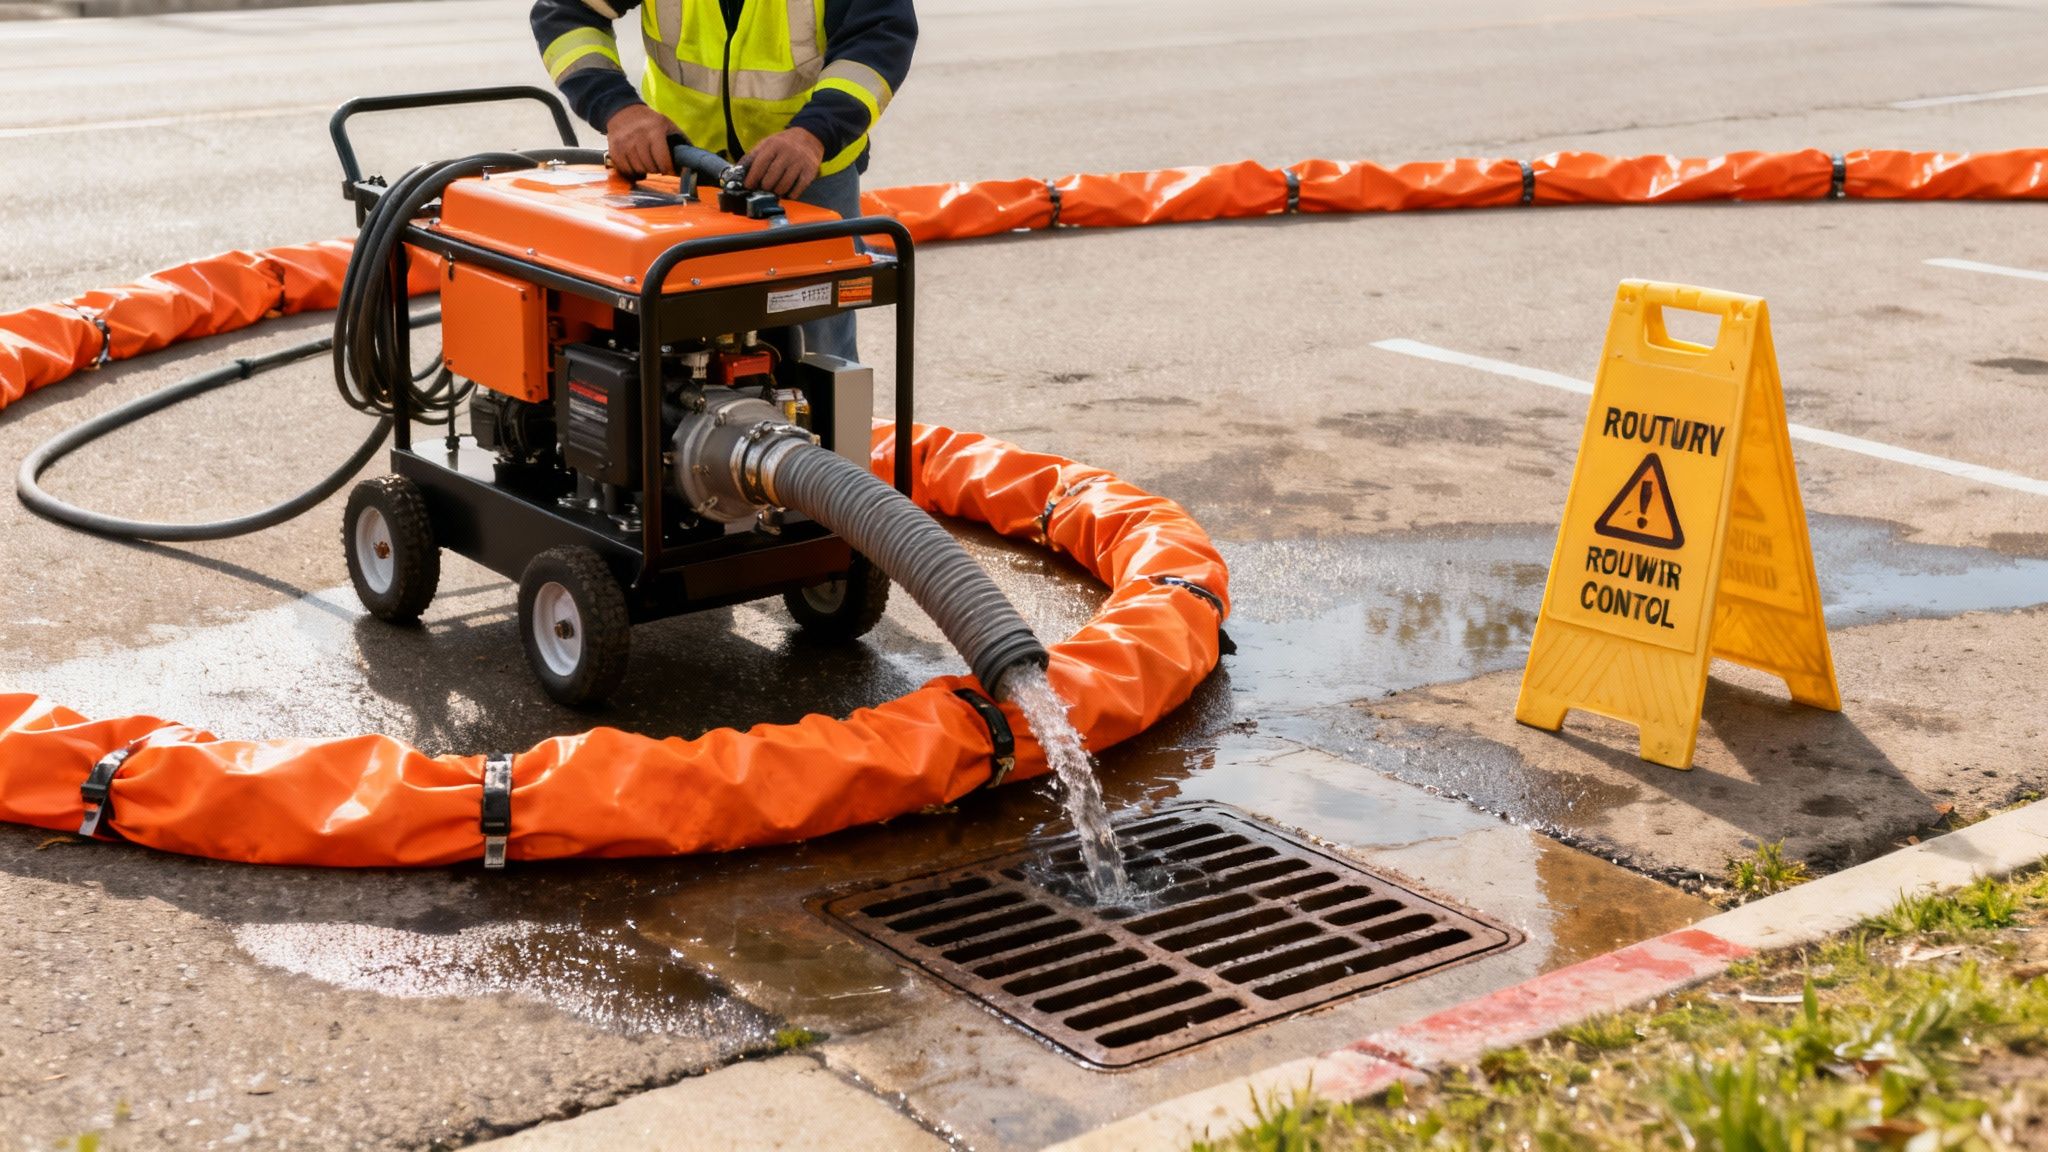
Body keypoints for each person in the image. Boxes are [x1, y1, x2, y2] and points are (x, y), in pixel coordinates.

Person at [531, 0, 917, 361]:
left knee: (820, 353)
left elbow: (879, 36)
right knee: (664, 344)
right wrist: (618, 109)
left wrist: (816, 132)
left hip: (805, 173)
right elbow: (567, 11)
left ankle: (821, 433)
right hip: (677, 170)